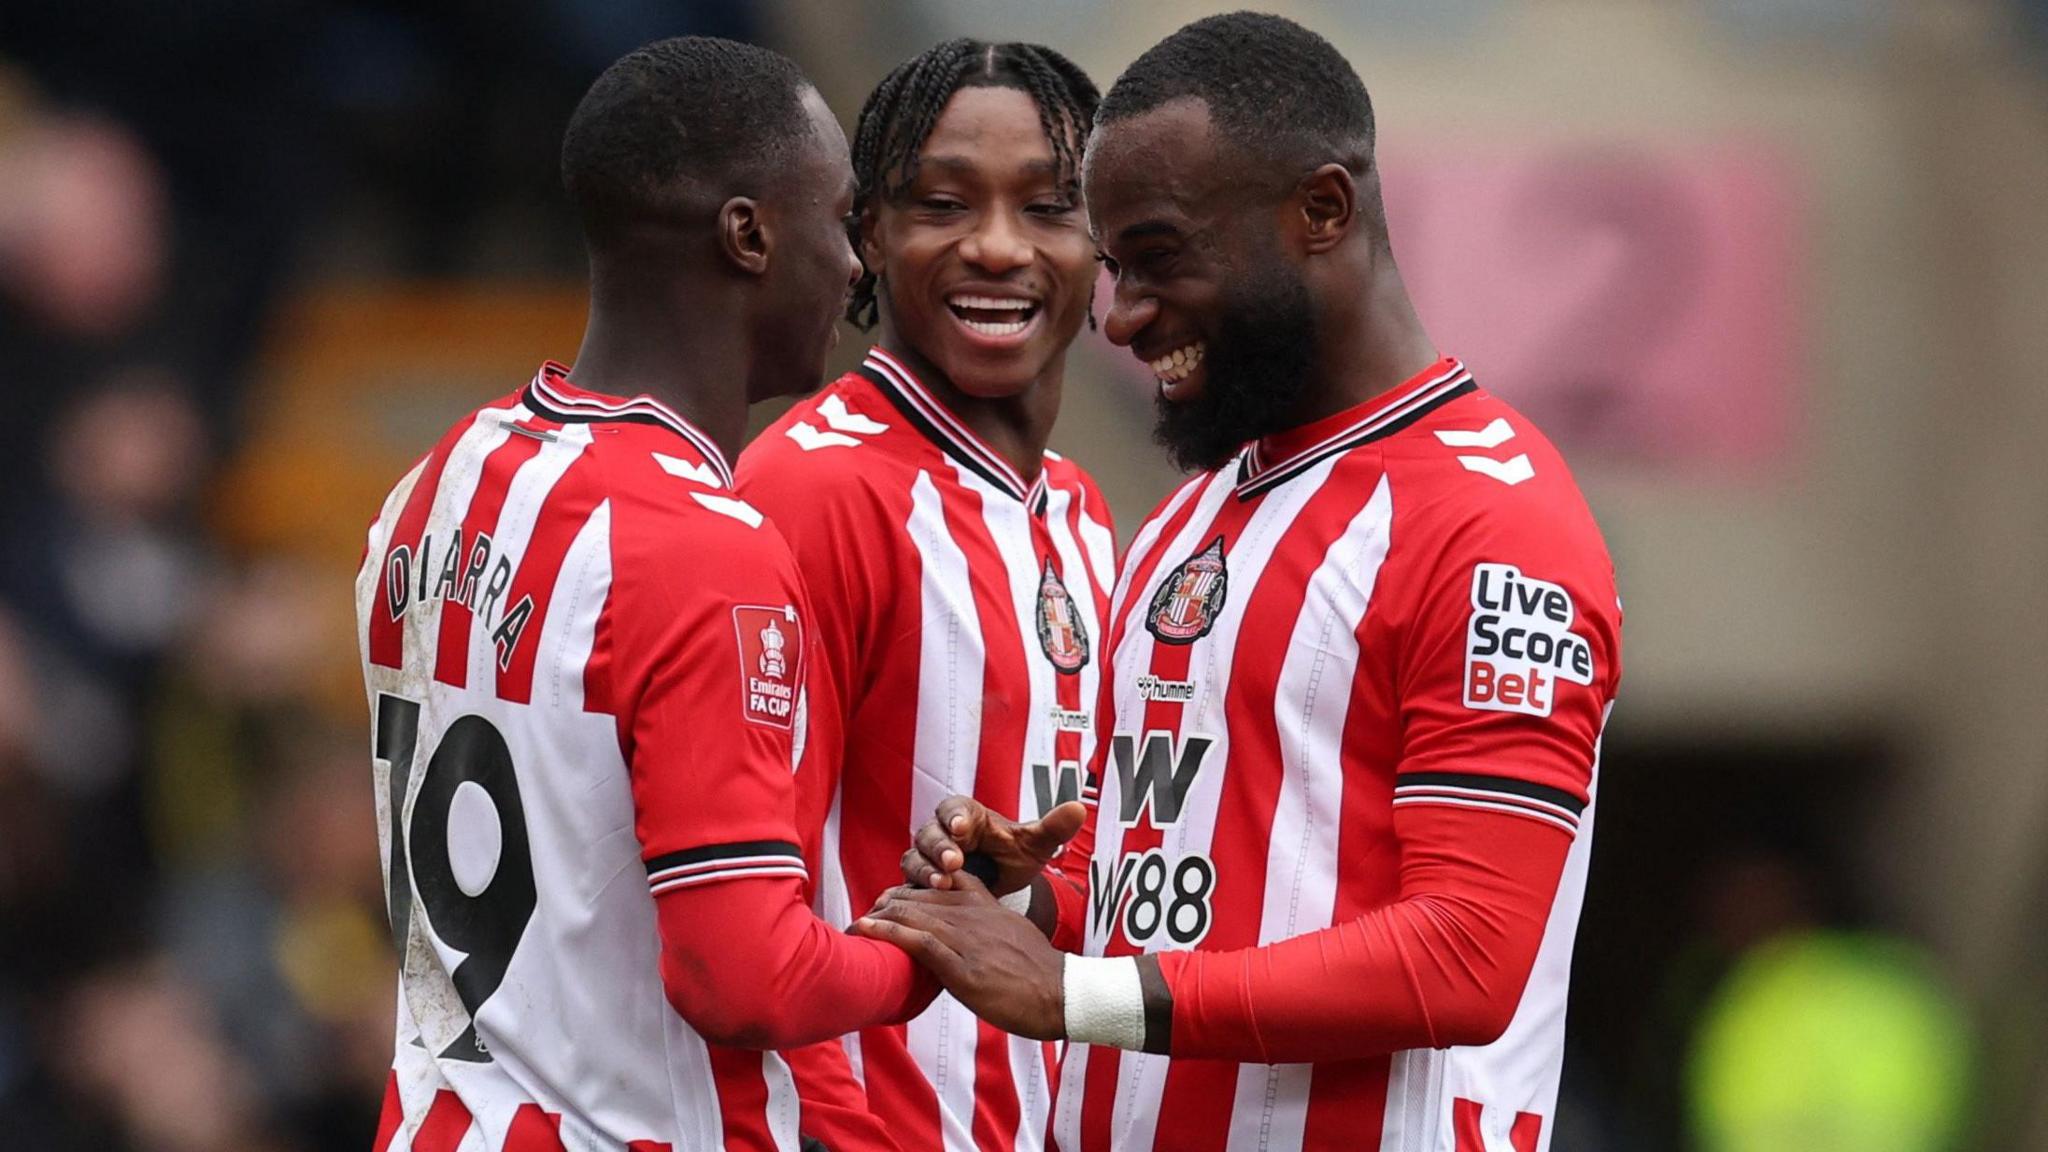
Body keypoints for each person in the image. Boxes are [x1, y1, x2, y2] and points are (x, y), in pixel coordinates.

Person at [861, 13, 1624, 1152]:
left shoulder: (1491, 521)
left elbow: (1467, 958)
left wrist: (1072, 997)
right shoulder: (1188, 518)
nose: (1116, 318)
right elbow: (1222, 914)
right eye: (1114, 267)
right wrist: (1031, 904)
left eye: (1159, 258)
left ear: (1321, 212)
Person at [353, 38, 932, 1152]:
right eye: (840, 219)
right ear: (748, 234)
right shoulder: (702, 551)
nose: (858, 266)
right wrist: (934, 953)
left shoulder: (433, 486)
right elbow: (740, 974)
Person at [735, 39, 1112, 1152]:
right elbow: (751, 901)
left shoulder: (1084, 515)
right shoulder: (811, 491)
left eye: (1047, 207)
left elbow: (1092, 877)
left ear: (1101, 243)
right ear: (867, 238)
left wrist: (1031, 900)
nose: (996, 247)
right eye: (943, 204)